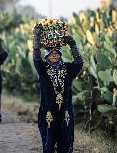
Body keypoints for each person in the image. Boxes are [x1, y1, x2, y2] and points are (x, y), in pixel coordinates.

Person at [33, 24, 83, 153]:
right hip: (48, 112)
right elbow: (37, 59)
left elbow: (79, 63)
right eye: (51, 53)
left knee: (65, 143)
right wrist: (36, 41)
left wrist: (73, 46)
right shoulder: (43, 69)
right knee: (49, 143)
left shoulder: (67, 69)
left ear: (60, 55)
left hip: (65, 112)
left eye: (57, 53)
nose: (54, 55)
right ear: (47, 56)